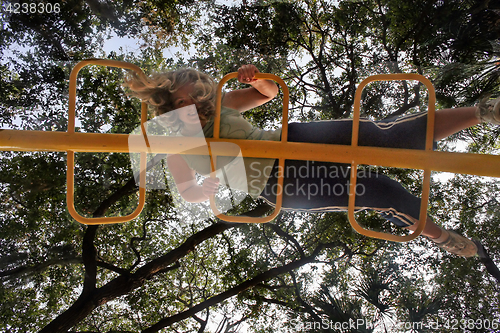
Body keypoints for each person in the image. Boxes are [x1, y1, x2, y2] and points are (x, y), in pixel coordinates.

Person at [124, 64, 500, 258]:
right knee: (380, 191)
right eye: (181, 102)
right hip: (280, 184)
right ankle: (445, 239)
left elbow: (267, 95)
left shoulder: (221, 103)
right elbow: (188, 191)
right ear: (170, 105)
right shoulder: (177, 139)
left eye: (195, 97)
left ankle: (486, 111)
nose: (191, 106)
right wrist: (199, 187)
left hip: (293, 141)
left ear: (206, 93)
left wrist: (255, 79)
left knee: (386, 135)